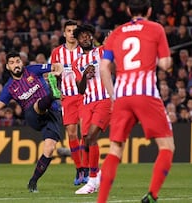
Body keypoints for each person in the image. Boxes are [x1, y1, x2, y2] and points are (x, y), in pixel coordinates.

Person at [98, 0, 175, 202]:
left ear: (128, 10)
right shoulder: (156, 28)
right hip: (146, 94)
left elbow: (104, 67)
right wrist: (162, 59)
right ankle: (153, 194)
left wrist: (112, 96)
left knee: (115, 149)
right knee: (167, 146)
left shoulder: (116, 33)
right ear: (149, 10)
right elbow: (166, 64)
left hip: (122, 96)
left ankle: (101, 200)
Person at [0, 52, 64, 193]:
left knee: (49, 149)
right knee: (37, 104)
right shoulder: (10, 87)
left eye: (18, 61)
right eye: (12, 62)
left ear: (22, 63)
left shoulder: (33, 70)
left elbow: (57, 65)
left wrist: (58, 72)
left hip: (52, 114)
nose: (16, 64)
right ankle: (53, 94)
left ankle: (33, 181)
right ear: (7, 67)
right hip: (32, 114)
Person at [72, 24, 111, 194]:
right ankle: (96, 176)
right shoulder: (77, 63)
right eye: (82, 36)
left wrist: (112, 45)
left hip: (104, 99)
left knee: (93, 135)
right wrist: (85, 75)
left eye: (88, 35)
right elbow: (80, 89)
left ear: (92, 37)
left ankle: (92, 180)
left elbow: (114, 64)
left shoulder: (102, 51)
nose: (85, 38)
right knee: (87, 139)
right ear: (78, 41)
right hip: (87, 102)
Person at [50, 20, 88, 186]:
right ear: (64, 33)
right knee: (72, 134)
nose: (72, 33)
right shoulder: (57, 53)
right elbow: (52, 75)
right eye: (69, 30)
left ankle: (86, 168)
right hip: (68, 97)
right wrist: (56, 93)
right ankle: (79, 169)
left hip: (85, 96)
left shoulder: (84, 51)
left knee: (85, 134)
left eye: (74, 30)